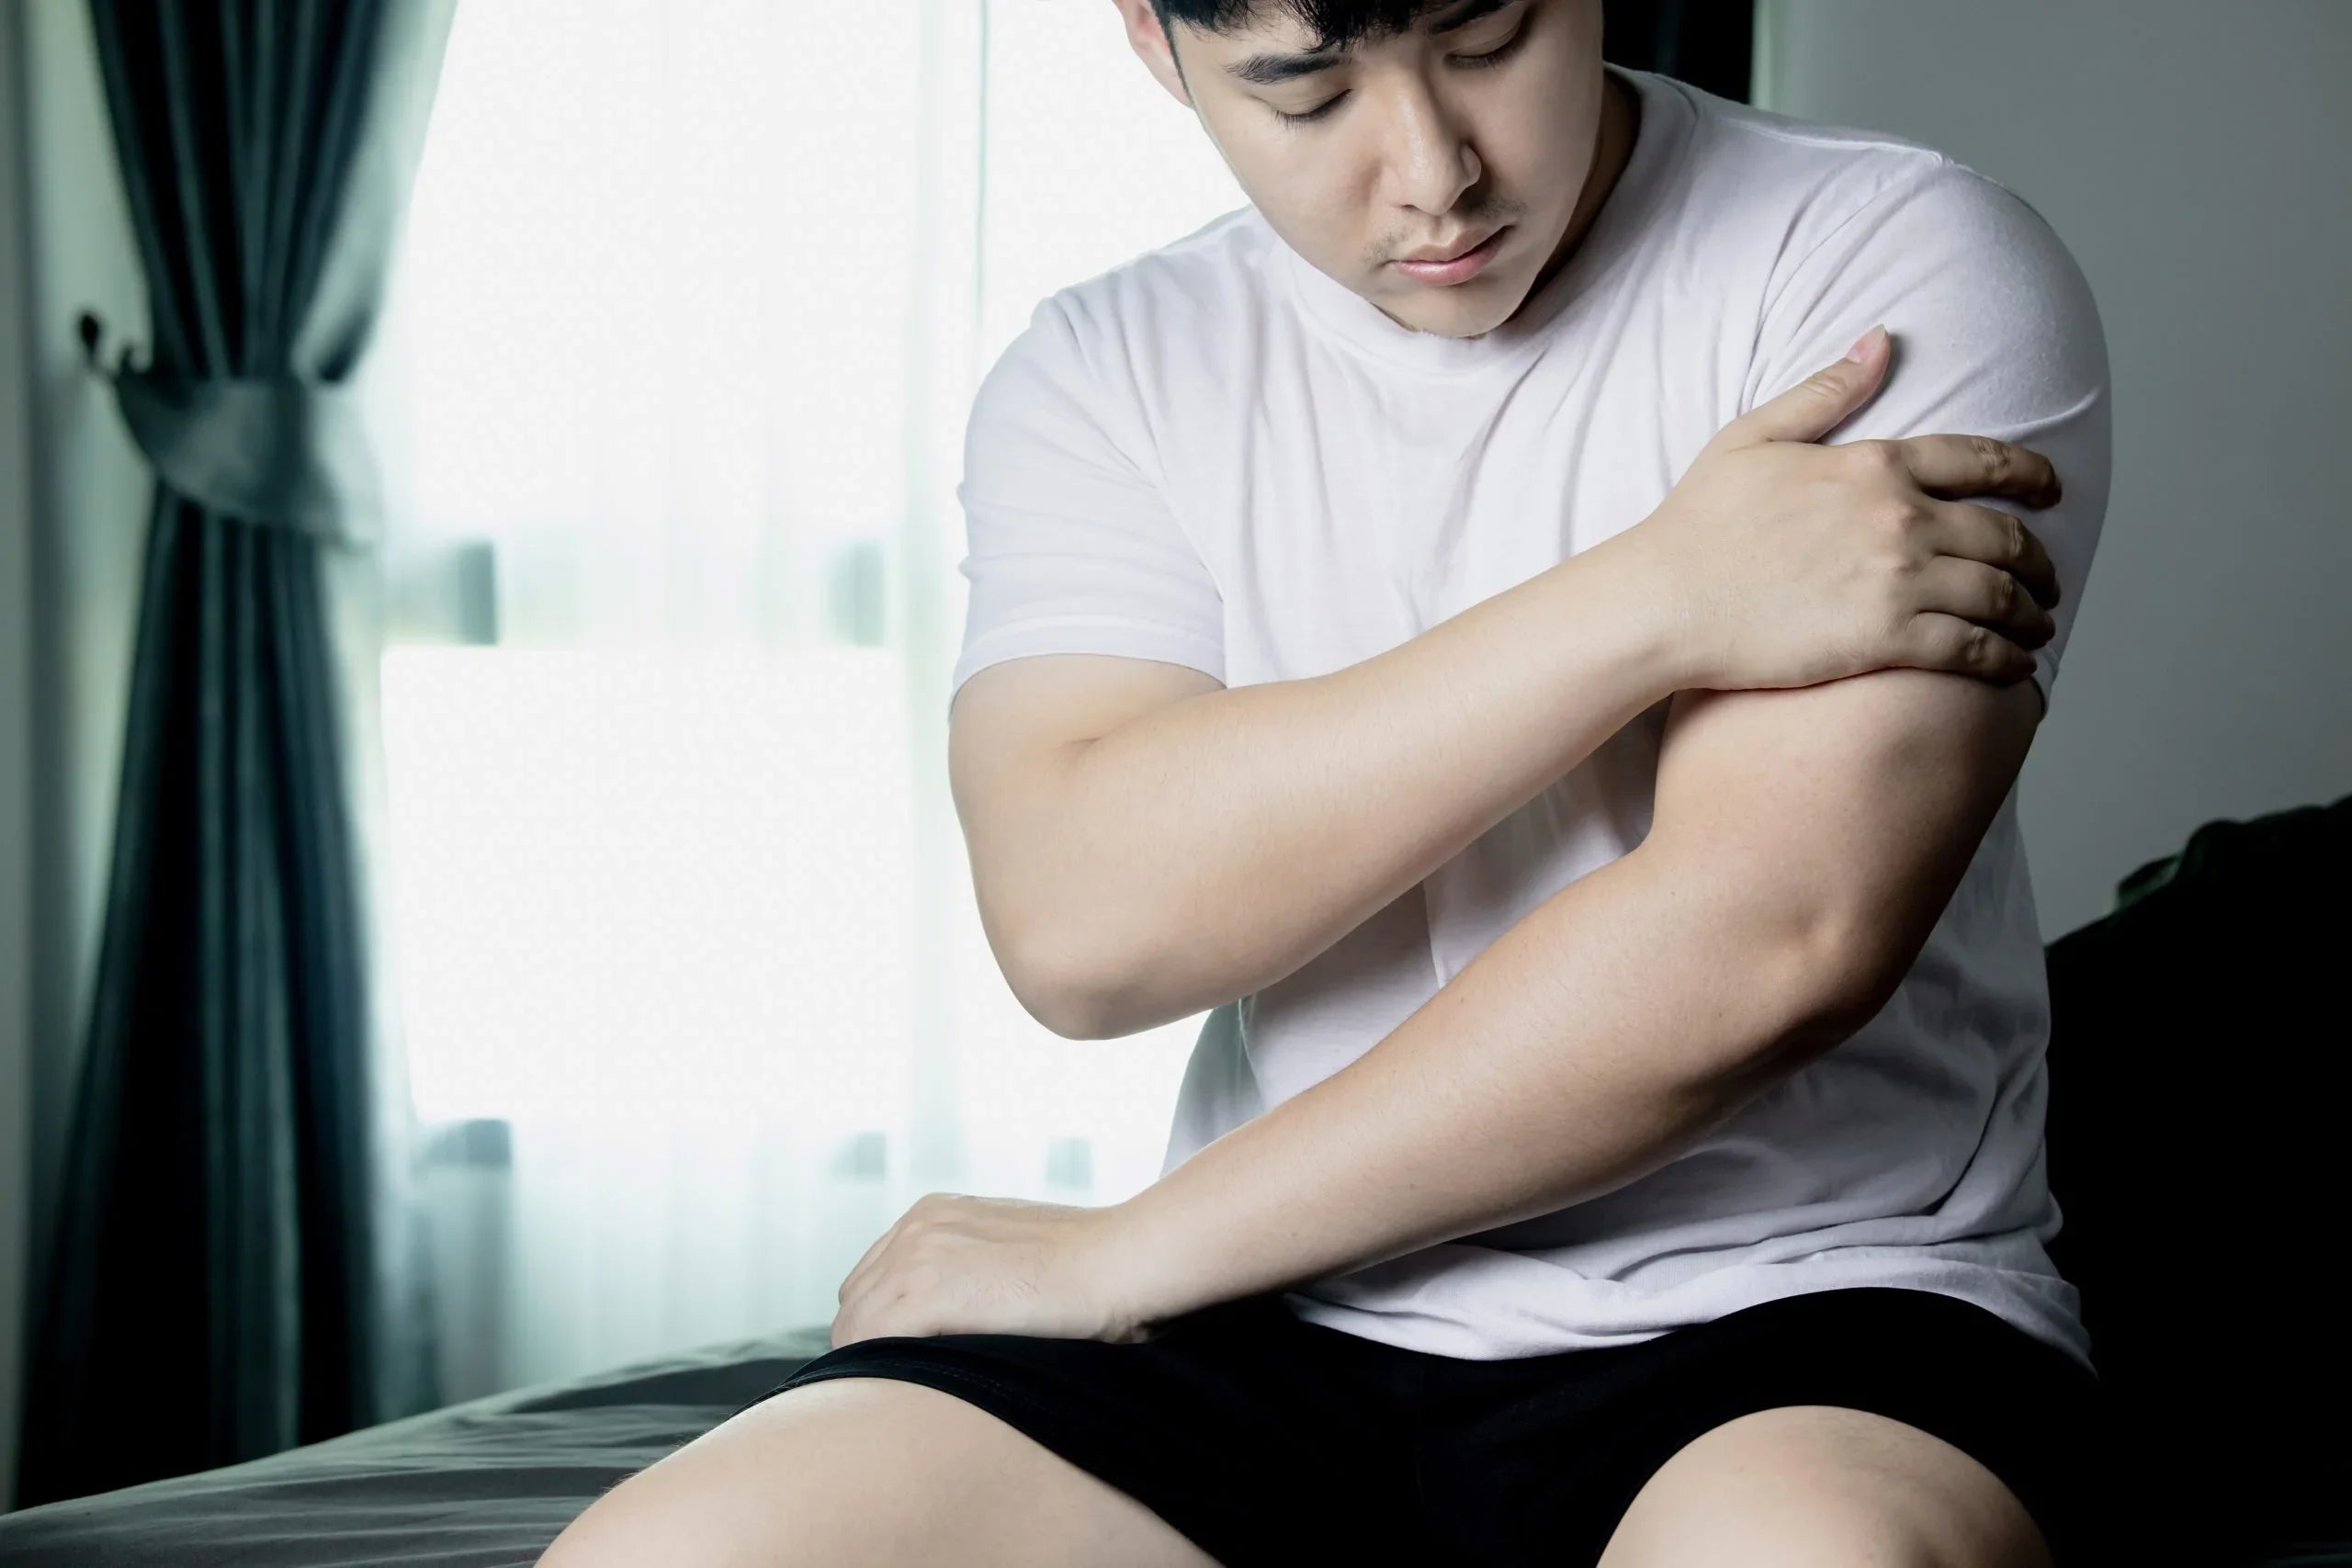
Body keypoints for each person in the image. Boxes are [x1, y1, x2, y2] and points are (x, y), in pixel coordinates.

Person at [540, 1, 2111, 1563]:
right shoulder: (1106, 368)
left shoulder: (1887, 264)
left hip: (1807, 1313)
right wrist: (1654, 599)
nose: (1433, 171)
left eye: (1490, 39)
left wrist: (1128, 1254)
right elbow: (1085, 929)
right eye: (1305, 92)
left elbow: (1771, 943)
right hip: (1268, 1311)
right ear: (1158, 49)